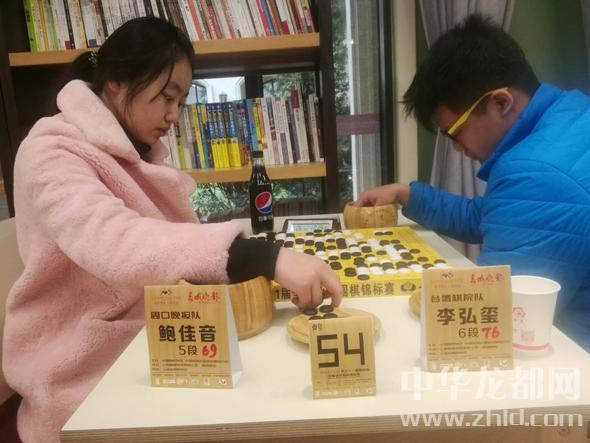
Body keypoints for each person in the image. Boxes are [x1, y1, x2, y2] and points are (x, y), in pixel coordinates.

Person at [3, 16, 342, 443]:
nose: (173, 115)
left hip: (157, 342)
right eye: (166, 96)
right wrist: (264, 256)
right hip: (83, 371)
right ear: (117, 81)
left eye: (180, 101)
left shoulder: (135, 153)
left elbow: (168, 247)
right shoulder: (50, 151)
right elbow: (114, 241)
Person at [355, 14, 590, 352]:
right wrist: (407, 194)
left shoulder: (537, 172)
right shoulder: (571, 113)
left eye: (455, 132)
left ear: (501, 102)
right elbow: (495, 216)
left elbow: (486, 317)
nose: (456, 147)